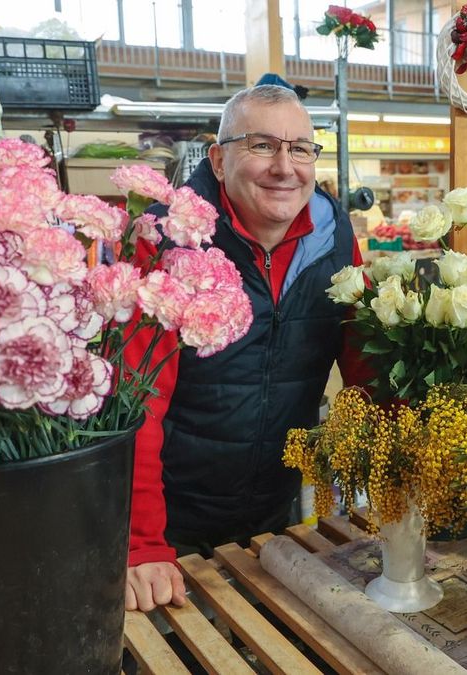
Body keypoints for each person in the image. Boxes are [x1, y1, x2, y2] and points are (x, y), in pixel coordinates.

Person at [124, 84, 369, 611]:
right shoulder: (167, 240)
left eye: (301, 148)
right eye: (262, 145)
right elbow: (132, 402)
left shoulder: (332, 236)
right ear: (217, 159)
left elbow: (363, 362)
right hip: (172, 518)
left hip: (276, 512)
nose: (285, 167)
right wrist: (141, 542)